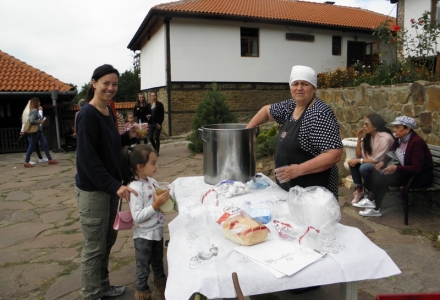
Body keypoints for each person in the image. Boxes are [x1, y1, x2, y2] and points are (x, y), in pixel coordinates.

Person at [75, 64, 147, 300]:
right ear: (94, 83)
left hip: (110, 188)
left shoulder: (108, 110)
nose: (111, 88)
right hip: (95, 191)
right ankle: (92, 294)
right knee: (94, 247)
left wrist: (129, 136)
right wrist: (115, 186)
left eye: (114, 84)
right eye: (106, 82)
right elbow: (88, 160)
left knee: (107, 240)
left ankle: (102, 286)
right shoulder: (87, 114)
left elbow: (110, 144)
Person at [246, 65, 343, 200]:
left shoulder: (320, 114)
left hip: (315, 194)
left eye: (305, 84)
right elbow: (266, 112)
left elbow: (333, 154)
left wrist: (298, 169)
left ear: (314, 88)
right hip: (291, 190)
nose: (299, 88)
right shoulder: (291, 106)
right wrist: (245, 134)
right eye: (295, 84)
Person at [354, 116, 434, 217]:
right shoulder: (399, 138)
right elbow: (390, 153)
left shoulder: (416, 142)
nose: (395, 130)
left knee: (383, 177)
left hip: (419, 177)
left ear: (408, 129)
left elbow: (417, 168)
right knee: (378, 171)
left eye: (398, 127)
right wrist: (383, 162)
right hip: (406, 172)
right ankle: (372, 204)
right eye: (394, 127)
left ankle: (371, 202)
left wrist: (396, 168)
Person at [120, 144, 168, 300]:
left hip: (157, 232)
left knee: (158, 263)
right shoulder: (135, 189)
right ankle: (142, 293)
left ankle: (162, 289)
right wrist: (156, 205)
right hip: (144, 237)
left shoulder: (152, 182)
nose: (157, 166)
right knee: (143, 268)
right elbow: (137, 217)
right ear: (140, 166)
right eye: (152, 163)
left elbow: (158, 198)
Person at [348, 114, 395, 204]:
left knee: (363, 167)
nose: (364, 126)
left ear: (375, 126)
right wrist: (359, 139)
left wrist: (359, 161)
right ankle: (359, 191)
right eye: (364, 124)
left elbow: (378, 160)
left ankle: (372, 191)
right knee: (352, 163)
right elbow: (358, 155)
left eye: (367, 124)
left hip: (384, 165)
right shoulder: (369, 137)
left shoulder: (385, 138)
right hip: (372, 163)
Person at [23, 97, 58, 168]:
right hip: (35, 131)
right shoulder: (34, 110)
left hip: (38, 130)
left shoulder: (35, 110)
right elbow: (32, 121)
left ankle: (49, 159)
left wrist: (41, 117)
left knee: (45, 143)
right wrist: (40, 121)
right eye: (38, 102)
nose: (40, 103)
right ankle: (26, 161)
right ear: (36, 103)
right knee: (32, 145)